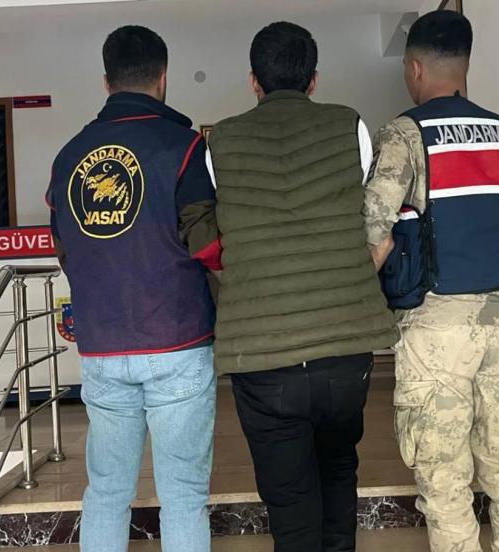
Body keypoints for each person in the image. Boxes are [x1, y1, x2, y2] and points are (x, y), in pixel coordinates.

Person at [364, 10, 499, 552]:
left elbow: (375, 230)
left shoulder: (405, 135)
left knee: (444, 478)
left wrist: (363, 305)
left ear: (414, 67)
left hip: (435, 329)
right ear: (465, 66)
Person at [206, 21, 399, 552]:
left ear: (253, 81)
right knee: (338, 468)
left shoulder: (219, 141)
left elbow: (213, 232)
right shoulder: (349, 126)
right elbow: (372, 218)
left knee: (289, 497)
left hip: (262, 354)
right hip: (344, 346)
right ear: (314, 79)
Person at [45, 25, 221, 552]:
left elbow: (64, 247)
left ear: (106, 81)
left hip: (103, 346)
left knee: (106, 492)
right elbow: (208, 245)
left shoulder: (69, 156)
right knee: (183, 495)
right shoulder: (184, 148)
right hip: (178, 341)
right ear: (163, 77)